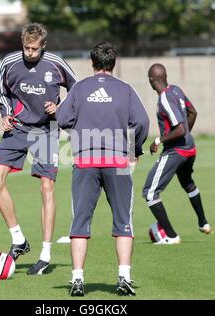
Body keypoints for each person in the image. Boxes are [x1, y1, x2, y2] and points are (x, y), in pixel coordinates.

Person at [55, 41, 149, 296]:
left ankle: (77, 280)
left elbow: (62, 118)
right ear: (113, 64)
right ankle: (124, 278)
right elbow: (140, 122)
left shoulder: (79, 88)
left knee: (80, 223)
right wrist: (133, 150)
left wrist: (80, 133)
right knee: (123, 222)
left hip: (85, 161)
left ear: (92, 63)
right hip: (118, 162)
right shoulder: (126, 89)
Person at [0, 23, 78, 275]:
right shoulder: (9, 62)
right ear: (22, 43)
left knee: (46, 187)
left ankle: (46, 254)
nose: (30, 52)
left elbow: (76, 89)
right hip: (16, 128)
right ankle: (18, 239)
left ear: (43, 46)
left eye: (34, 49)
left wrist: (60, 109)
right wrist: (5, 114)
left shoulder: (55, 63)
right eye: (26, 48)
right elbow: (1, 92)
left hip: (46, 131)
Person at [143, 63, 213, 245]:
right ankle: (203, 223)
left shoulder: (165, 99)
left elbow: (180, 128)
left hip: (176, 152)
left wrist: (159, 140)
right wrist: (187, 135)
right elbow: (193, 112)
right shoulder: (176, 90)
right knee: (188, 183)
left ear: (152, 80)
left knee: (150, 192)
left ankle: (171, 236)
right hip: (190, 149)